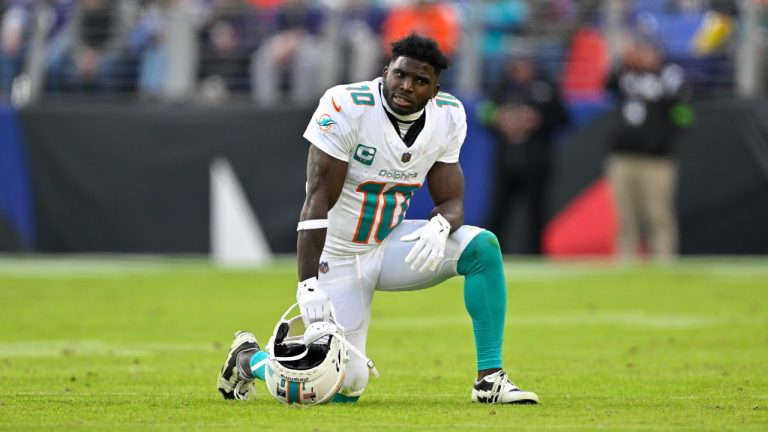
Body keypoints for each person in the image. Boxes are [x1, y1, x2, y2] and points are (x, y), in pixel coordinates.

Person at [216, 34, 539, 405]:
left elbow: (452, 200)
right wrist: (307, 284)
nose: (406, 86)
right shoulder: (346, 105)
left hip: (387, 243)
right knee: (340, 388)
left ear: (435, 89)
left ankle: (490, 379)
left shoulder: (448, 115)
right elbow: (317, 200)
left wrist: (441, 225)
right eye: (400, 74)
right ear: (386, 70)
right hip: (336, 254)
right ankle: (247, 359)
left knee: (482, 247)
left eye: (420, 81)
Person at [606, 36, 689, 261]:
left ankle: (664, 259)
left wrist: (662, 136)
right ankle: (625, 261)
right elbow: (607, 83)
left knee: (658, 215)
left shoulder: (670, 76)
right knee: (625, 216)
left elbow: (684, 115)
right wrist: (623, 61)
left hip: (657, 159)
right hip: (623, 156)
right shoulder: (626, 73)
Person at [481, 54, 569, 254]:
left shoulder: (545, 88)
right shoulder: (502, 88)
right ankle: (491, 252)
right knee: (499, 210)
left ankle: (537, 253)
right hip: (507, 160)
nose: (520, 69)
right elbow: (482, 112)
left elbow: (563, 117)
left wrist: (538, 119)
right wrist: (499, 120)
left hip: (536, 161)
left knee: (537, 211)